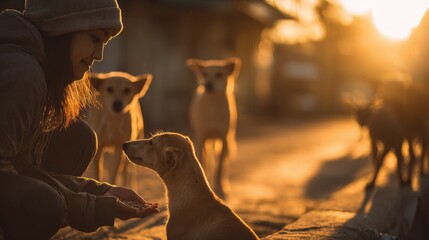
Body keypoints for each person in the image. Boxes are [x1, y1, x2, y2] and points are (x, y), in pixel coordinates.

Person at [0, 0, 160, 239]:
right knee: (45, 204)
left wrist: (103, 192)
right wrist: (94, 207)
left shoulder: (33, 66)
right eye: (95, 39)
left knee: (79, 137)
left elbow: (22, 167)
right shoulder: (24, 74)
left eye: (104, 43)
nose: (99, 55)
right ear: (63, 28)